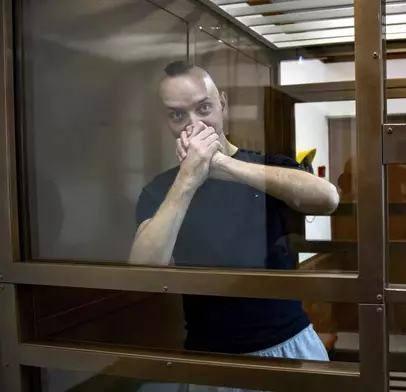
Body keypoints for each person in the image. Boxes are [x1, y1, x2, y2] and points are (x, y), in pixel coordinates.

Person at [129, 61, 340, 391]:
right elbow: (142, 272)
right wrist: (188, 179)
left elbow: (327, 198)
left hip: (287, 342)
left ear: (222, 104)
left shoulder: (270, 166)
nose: (194, 124)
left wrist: (223, 164)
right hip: (209, 356)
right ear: (166, 122)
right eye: (177, 115)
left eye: (204, 107)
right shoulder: (160, 190)